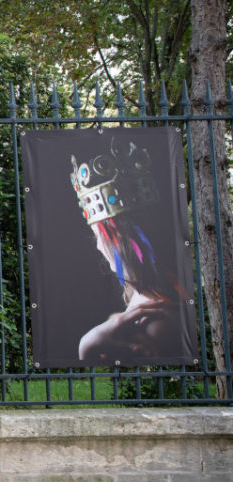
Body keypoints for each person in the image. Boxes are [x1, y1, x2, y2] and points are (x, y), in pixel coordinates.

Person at [71, 138, 192, 364]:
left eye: (100, 236)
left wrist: (87, 345)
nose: (98, 245)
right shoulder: (149, 299)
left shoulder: (158, 320)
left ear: (123, 241)